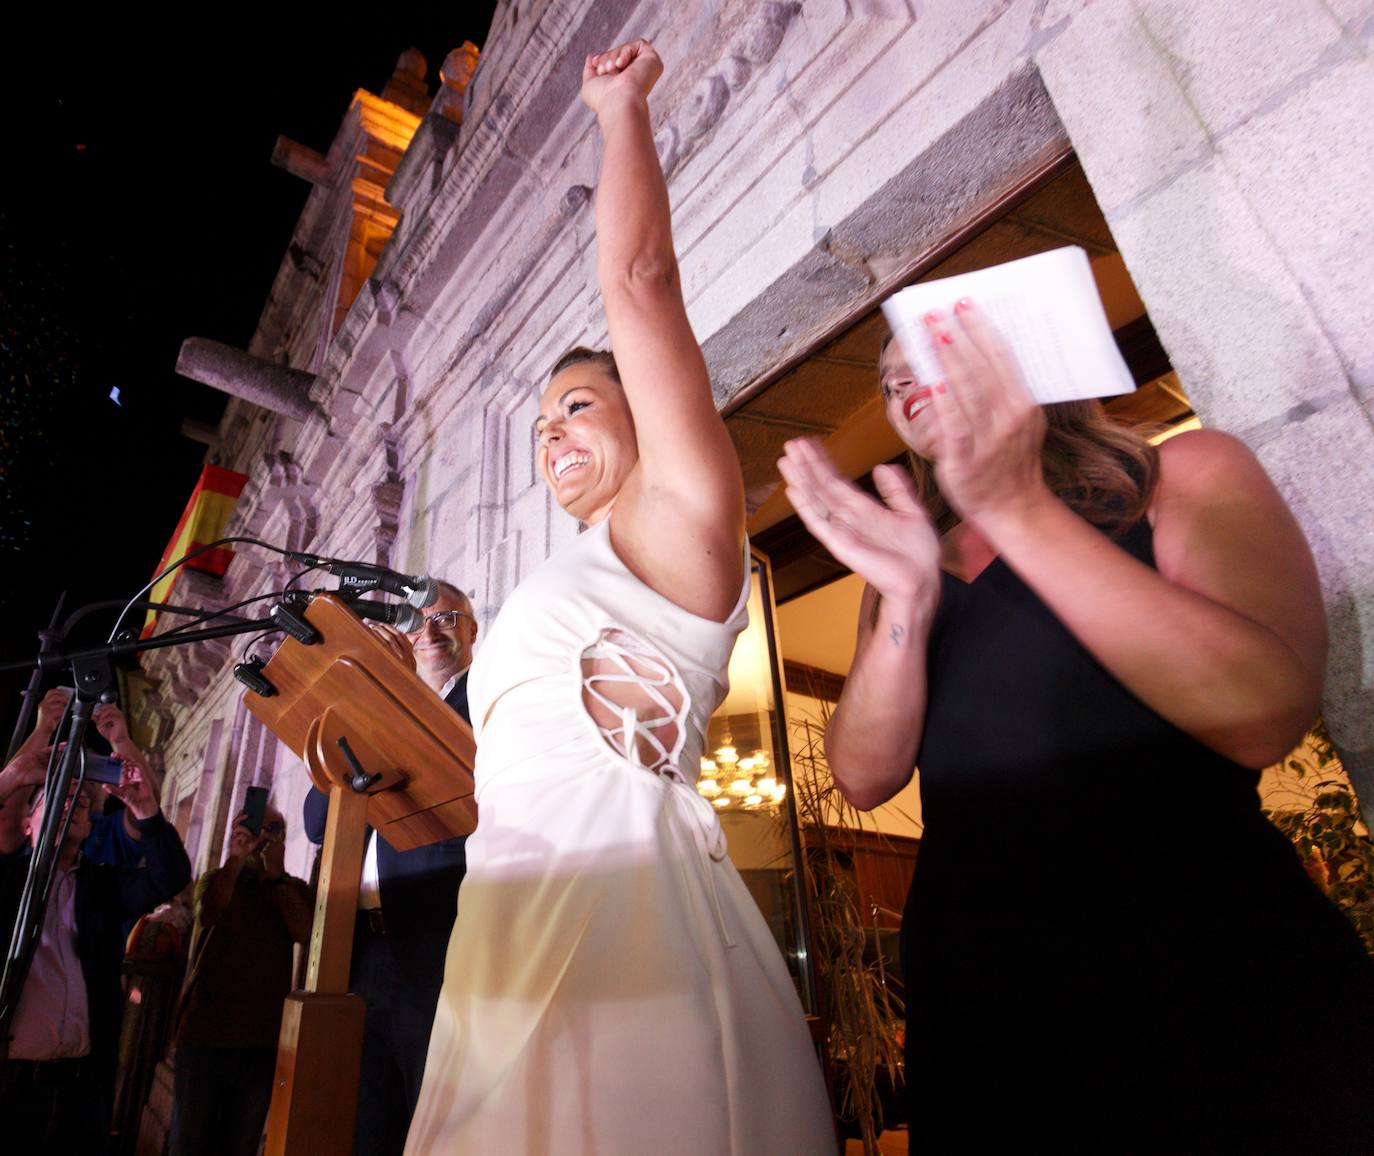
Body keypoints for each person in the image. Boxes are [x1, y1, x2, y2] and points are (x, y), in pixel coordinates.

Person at [777, 302, 1374, 1150]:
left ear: (1019, 358)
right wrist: (908, 596)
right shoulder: (907, 563)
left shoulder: (1181, 474)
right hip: (980, 991)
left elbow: (1262, 713)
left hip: (1199, 960)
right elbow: (864, 778)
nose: (900, 384)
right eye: (889, 380)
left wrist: (1018, 507)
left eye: (923, 358)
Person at [406, 39, 833, 1156]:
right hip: (495, 944)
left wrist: (619, 110)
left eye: (581, 406)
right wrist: (442, 683)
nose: (554, 436)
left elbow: (640, 284)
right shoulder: (568, 576)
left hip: (626, 942)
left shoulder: (680, 523)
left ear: (648, 415)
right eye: (542, 425)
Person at [303, 581, 475, 1156]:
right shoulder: (372, 711)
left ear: (471, 631)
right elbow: (314, 821)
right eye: (420, 620)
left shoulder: (483, 704)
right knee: (363, 1122)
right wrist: (367, 702)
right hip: (358, 951)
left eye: (448, 617)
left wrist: (399, 702)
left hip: (438, 944)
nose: (432, 630)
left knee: (438, 1121)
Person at [0, 739, 191, 1153]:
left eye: (82, 804)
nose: (72, 806)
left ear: (89, 828)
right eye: (57, 798)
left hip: (80, 1088)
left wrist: (145, 811)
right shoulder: (9, 882)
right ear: (28, 824)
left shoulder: (99, 885)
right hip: (10, 1087)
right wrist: (13, 778)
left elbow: (169, 877)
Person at [169, 802, 312, 1156]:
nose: (264, 838)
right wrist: (235, 860)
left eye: (274, 830)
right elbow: (208, 912)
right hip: (204, 1039)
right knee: (190, 1144)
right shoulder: (215, 880)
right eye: (256, 829)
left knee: (241, 1147)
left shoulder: (291, 889)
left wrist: (276, 875)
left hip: (260, 1046)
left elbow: (305, 930)